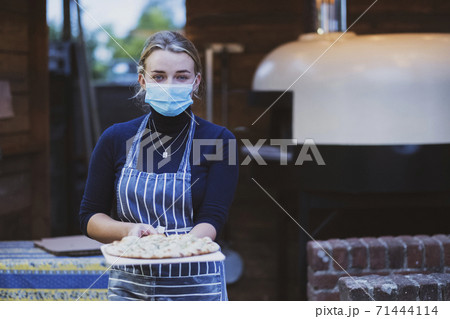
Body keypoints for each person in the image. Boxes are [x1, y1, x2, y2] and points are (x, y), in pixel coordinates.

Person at [79, 31, 239, 301]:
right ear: (143, 80)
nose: (170, 84)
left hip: (196, 288)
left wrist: (173, 249)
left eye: (182, 76)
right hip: (130, 288)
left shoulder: (221, 141)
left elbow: (212, 218)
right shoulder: (115, 139)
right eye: (159, 76)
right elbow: (90, 217)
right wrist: (131, 231)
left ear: (196, 82)